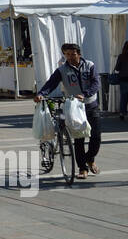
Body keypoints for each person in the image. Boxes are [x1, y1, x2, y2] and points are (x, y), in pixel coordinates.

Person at [34, 42, 102, 179]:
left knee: (96, 137)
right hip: (73, 107)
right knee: (79, 138)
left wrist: (86, 93)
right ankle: (82, 169)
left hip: (90, 105)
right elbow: (51, 83)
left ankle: (90, 158)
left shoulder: (89, 65)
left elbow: (96, 83)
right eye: (67, 55)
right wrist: (42, 93)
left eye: (73, 54)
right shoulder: (62, 70)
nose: (70, 57)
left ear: (79, 54)